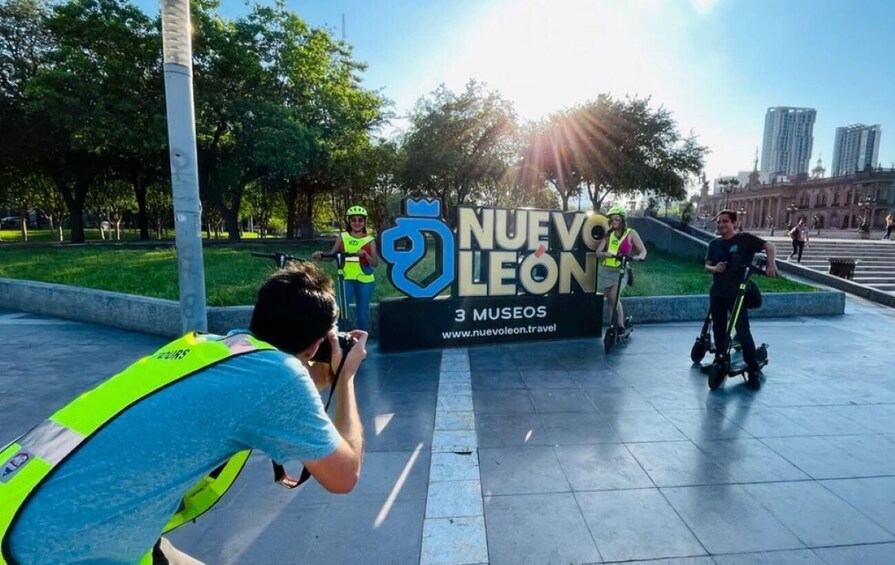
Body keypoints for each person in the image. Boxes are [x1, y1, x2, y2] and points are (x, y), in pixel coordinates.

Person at [2, 262, 367, 564]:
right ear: (319, 343)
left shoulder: (208, 347)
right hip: (59, 550)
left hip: (23, 506)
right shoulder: (279, 375)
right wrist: (345, 379)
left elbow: (256, 405)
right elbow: (344, 476)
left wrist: (315, 378)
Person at [705, 210, 778, 388]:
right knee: (719, 331)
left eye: (725, 222)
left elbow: (769, 245)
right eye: (719, 222)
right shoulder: (714, 244)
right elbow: (706, 265)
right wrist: (715, 269)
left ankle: (752, 369)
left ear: (735, 223)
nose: (721, 225)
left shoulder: (744, 239)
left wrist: (771, 262)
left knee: (743, 332)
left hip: (737, 294)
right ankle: (720, 361)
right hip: (718, 292)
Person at [313, 205, 378, 332]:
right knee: (340, 310)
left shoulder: (370, 240)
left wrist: (365, 255)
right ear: (349, 221)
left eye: (360, 220)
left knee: (362, 312)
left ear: (365, 222)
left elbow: (375, 263)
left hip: (365, 279)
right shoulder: (342, 237)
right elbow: (332, 256)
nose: (357, 223)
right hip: (345, 278)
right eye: (354, 220)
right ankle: (341, 338)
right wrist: (321, 256)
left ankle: (361, 342)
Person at [596, 206, 647, 332]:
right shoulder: (609, 234)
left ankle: (620, 326)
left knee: (614, 296)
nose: (614, 222)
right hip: (607, 270)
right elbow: (598, 252)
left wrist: (639, 257)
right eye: (612, 220)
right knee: (609, 299)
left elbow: (643, 250)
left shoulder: (631, 233)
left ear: (623, 220)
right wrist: (604, 254)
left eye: (617, 219)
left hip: (622, 269)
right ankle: (612, 325)